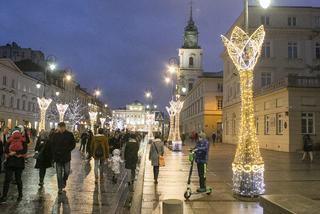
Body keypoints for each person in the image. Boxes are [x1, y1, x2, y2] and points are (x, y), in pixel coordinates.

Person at [0, 127, 28, 203]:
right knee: (18, 179)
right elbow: (25, 150)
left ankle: (4, 196)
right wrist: (17, 153)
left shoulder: (10, 139)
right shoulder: (23, 140)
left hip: (10, 162)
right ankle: (20, 195)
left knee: (7, 180)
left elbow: (5, 150)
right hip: (19, 163)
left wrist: (11, 153)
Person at [51, 122, 76, 194]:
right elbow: (52, 145)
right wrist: (54, 154)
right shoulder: (55, 135)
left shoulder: (69, 134)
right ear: (58, 127)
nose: (61, 129)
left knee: (67, 171)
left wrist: (68, 149)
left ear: (65, 127)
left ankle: (64, 180)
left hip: (66, 157)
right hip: (58, 157)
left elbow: (73, 144)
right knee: (58, 173)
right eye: (60, 127)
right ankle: (60, 188)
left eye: (62, 127)